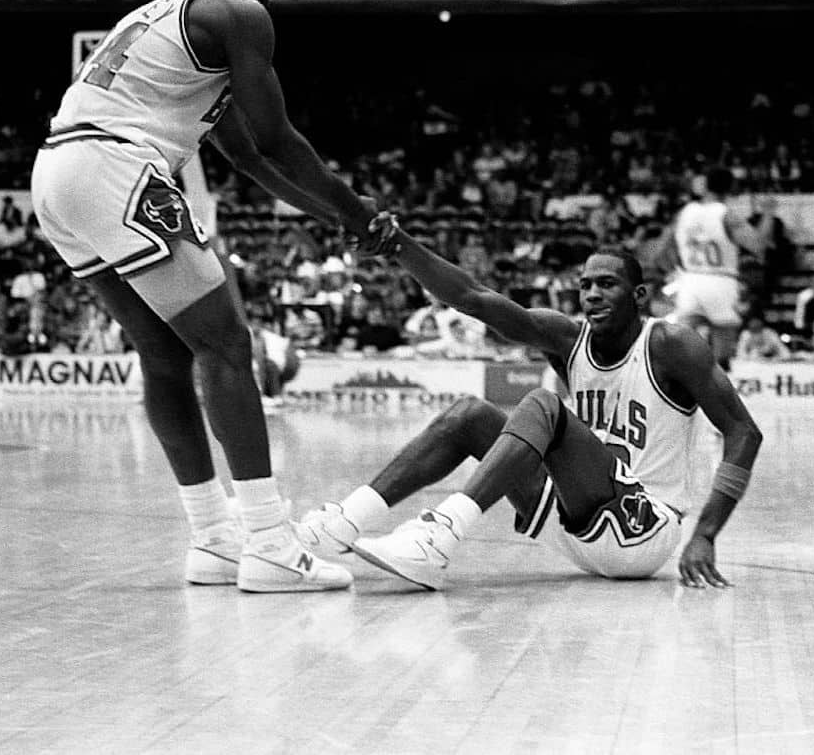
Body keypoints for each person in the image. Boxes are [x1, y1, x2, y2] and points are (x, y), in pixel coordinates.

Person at [30, 0, 384, 592]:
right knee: (226, 344)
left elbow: (248, 157)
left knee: (163, 354)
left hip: (57, 172)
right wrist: (357, 211)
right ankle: (271, 542)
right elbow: (280, 141)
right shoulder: (238, 12)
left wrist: (338, 220)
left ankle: (214, 539)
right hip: (116, 165)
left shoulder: (166, 20)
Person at [296, 231, 764, 591]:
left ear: (639, 296)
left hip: (644, 529)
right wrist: (399, 245)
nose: (593, 295)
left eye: (607, 284)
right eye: (585, 286)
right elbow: (474, 297)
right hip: (577, 518)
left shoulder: (670, 343)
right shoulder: (568, 338)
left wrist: (705, 533)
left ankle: (439, 537)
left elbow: (744, 433)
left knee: (543, 404)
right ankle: (343, 523)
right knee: (469, 416)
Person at [666, 167, 768, 370]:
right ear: (731, 188)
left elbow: (669, 246)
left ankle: (672, 393)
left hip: (690, 279)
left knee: (680, 347)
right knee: (721, 355)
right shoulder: (727, 215)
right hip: (720, 280)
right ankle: (717, 394)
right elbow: (758, 245)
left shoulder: (685, 213)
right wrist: (768, 215)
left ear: (705, 185)